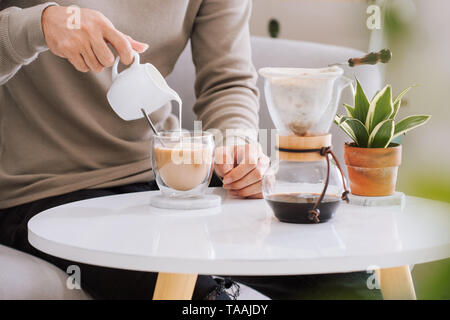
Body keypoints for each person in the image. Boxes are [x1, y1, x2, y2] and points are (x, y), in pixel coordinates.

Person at [0, 1, 378, 300]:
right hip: (47, 192)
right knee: (207, 299)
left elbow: (227, 80)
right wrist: (39, 26)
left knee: (348, 278)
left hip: (171, 183)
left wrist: (237, 142)